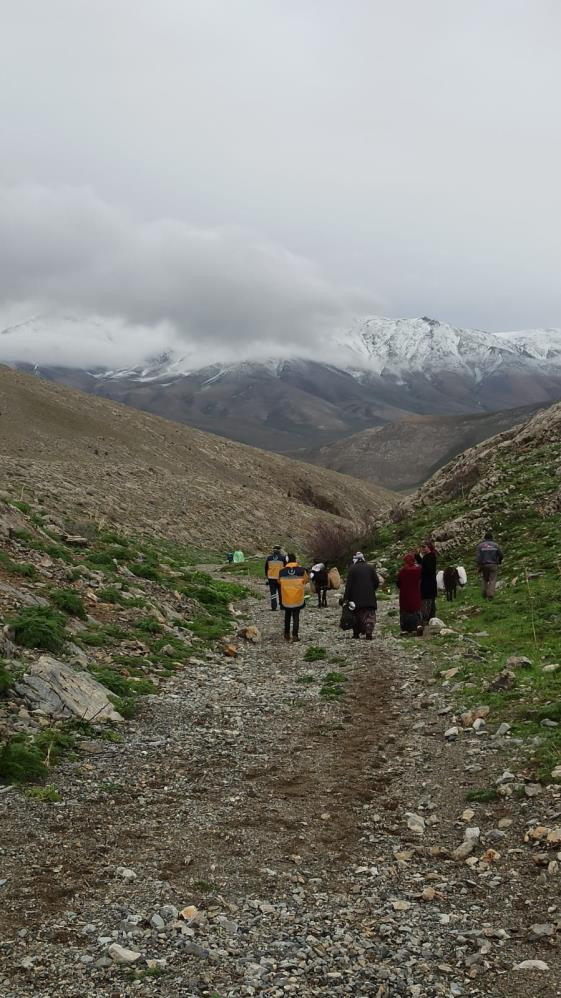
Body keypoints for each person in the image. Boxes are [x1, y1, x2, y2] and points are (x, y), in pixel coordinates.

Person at [343, 552, 379, 639]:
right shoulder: (370, 568)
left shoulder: (352, 569)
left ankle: (356, 634)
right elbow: (376, 581)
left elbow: (349, 585)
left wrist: (346, 598)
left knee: (356, 616)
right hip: (369, 598)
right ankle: (368, 633)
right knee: (369, 616)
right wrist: (372, 590)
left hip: (356, 599)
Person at [278, 553, 308, 642]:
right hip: (297, 598)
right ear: (295, 560)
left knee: (287, 616)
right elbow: (306, 580)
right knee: (296, 616)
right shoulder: (302, 570)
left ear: (287, 560)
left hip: (286, 598)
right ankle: (295, 635)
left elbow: (279, 581)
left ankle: (286, 634)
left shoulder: (281, 571)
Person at [396, 553, 423, 635]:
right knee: (416, 610)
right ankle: (418, 626)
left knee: (405, 611)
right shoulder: (418, 569)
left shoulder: (403, 570)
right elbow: (421, 578)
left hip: (405, 594)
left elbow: (398, 582)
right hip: (415, 593)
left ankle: (406, 629)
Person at [415, 541, 438, 625]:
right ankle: (431, 619)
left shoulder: (431, 556)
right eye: (422, 547)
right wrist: (418, 556)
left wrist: (420, 570)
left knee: (426, 602)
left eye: (424, 547)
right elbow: (423, 564)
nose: (422, 549)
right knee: (430, 601)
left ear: (429, 547)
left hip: (428, 583)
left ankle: (425, 620)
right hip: (429, 582)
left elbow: (427, 569)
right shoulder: (428, 556)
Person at [476, 531, 503, 599]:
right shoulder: (496, 545)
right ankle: (490, 595)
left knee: (485, 579)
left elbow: (478, 558)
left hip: (484, 565)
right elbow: (501, 555)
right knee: (492, 580)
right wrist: (499, 561)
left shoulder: (480, 546)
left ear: (485, 538)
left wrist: (478, 566)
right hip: (493, 565)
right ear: (492, 538)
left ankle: (484, 593)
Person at [264, 545, 288, 610]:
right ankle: (282, 606)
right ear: (279, 550)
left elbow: (266, 568)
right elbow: (286, 568)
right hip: (280, 578)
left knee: (273, 593)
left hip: (271, 578)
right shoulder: (283, 558)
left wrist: (267, 576)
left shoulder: (269, 558)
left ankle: (273, 607)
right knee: (281, 592)